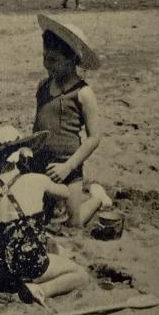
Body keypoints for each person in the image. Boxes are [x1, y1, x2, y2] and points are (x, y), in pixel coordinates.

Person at [0, 126, 91, 306]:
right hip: (30, 265)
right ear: (21, 156)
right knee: (81, 275)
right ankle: (41, 290)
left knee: (37, 242)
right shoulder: (37, 180)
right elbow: (66, 193)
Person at [31, 14, 111, 227]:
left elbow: (94, 138)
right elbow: (38, 125)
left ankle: (96, 198)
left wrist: (68, 166)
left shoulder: (83, 93)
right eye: (45, 59)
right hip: (40, 164)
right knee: (39, 219)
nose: (49, 65)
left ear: (72, 59)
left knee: (73, 223)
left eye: (55, 61)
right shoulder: (43, 86)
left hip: (68, 167)